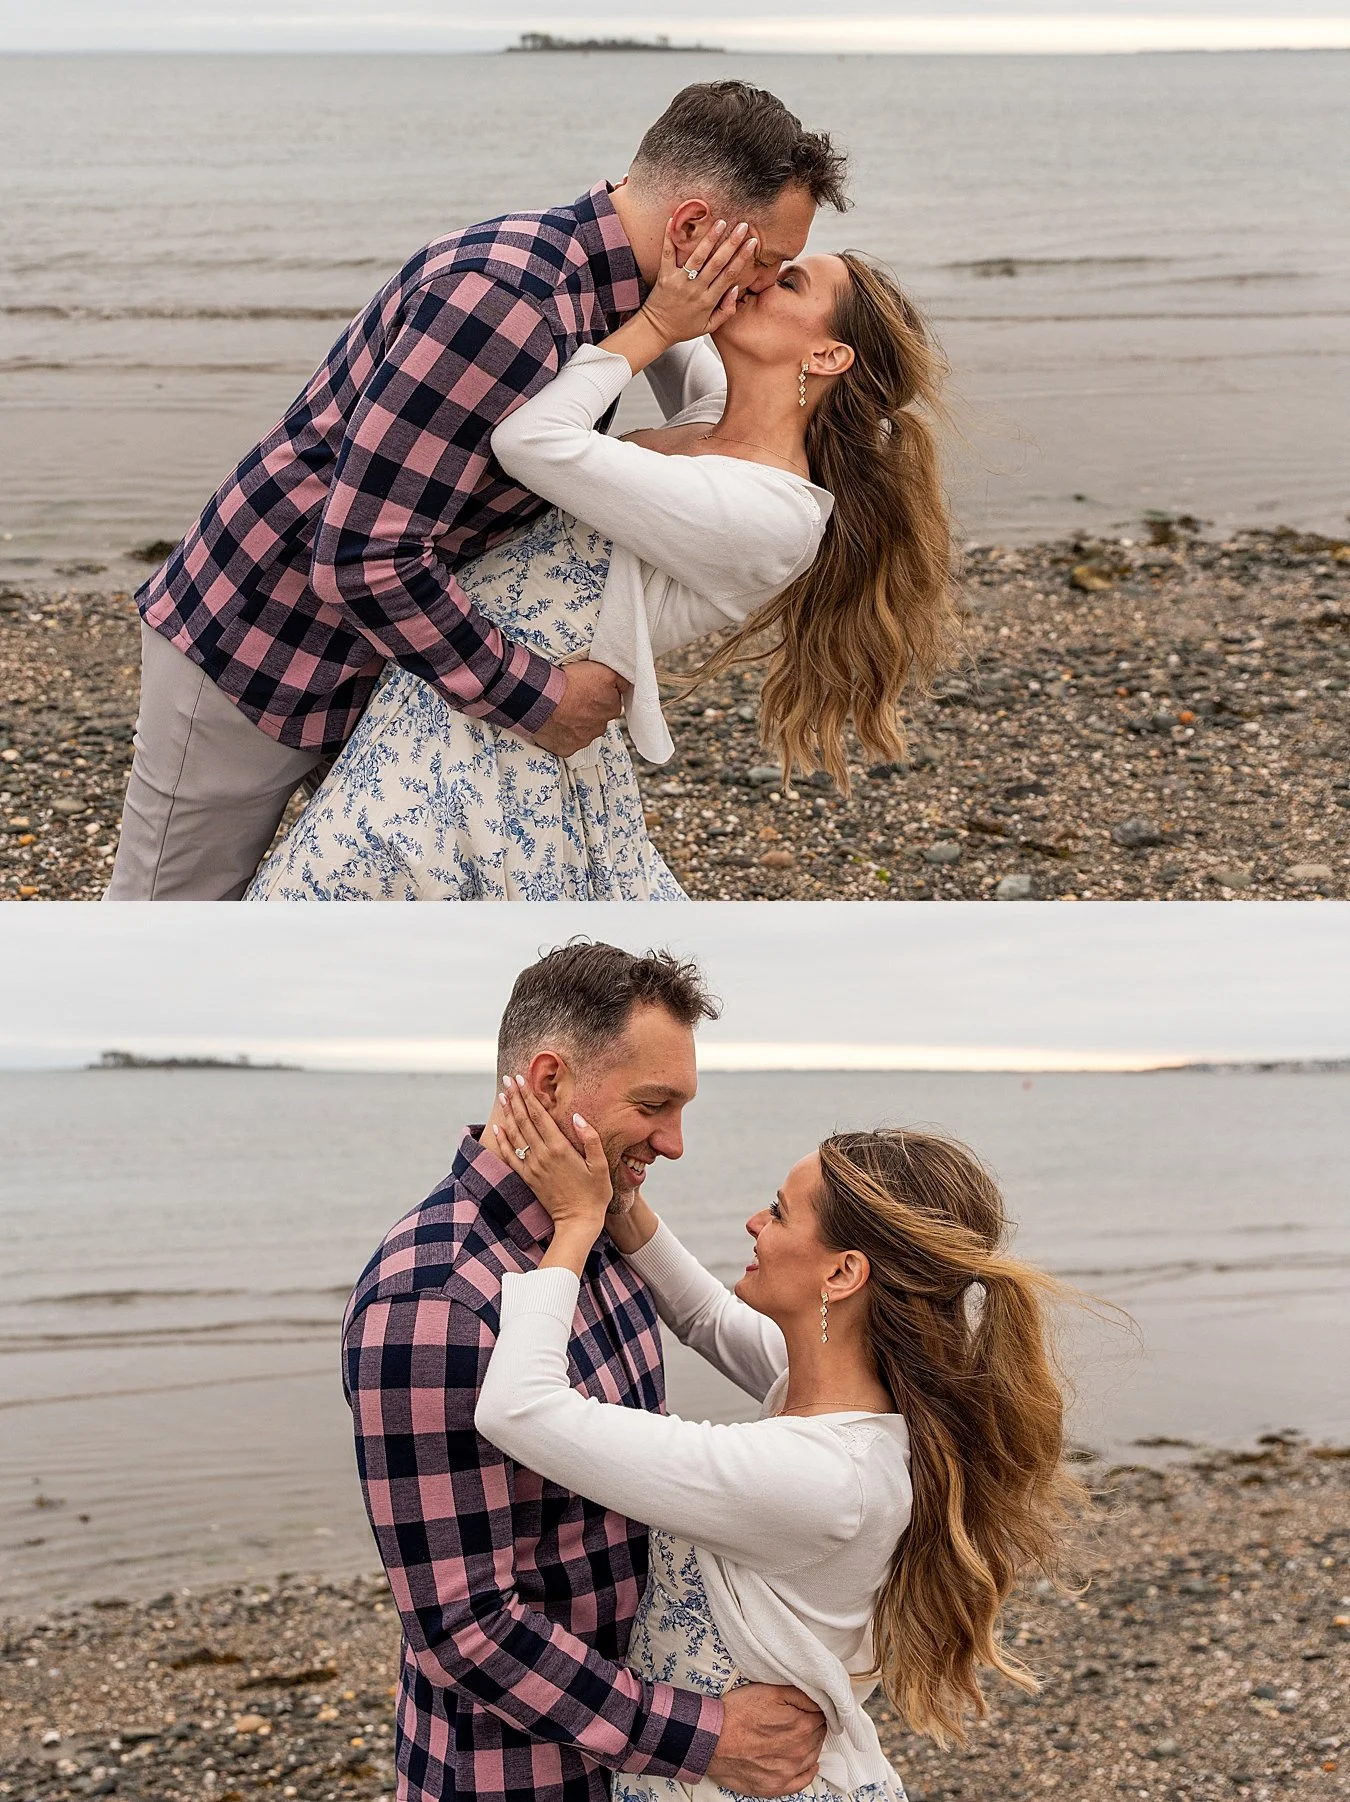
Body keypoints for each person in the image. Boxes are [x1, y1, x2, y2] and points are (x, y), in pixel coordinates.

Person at [106, 81, 849, 899]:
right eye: (769, 262)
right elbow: (362, 554)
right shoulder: (508, 301)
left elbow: (718, 411)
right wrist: (543, 701)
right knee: (162, 924)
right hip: (261, 645)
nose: (759, 285)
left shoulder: (623, 293)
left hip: (386, 663)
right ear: (693, 227)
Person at [245, 215, 957, 900]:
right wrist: (692, 251)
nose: (760, 280)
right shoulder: (715, 418)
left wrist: (654, 327)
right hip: (450, 695)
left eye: (790, 282)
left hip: (497, 743)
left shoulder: (771, 514)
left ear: (828, 356)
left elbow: (532, 441)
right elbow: (663, 294)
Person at [475, 1081, 1089, 1802]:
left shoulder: (821, 1478)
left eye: (779, 1211)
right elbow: (703, 1314)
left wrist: (575, 1223)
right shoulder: (855, 1399)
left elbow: (519, 1408)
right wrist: (621, 1204)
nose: (752, 1222)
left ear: (842, 1272)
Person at [342, 941, 829, 1802]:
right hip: (517, 1778)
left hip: (637, 1765)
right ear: (550, 1081)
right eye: (654, 1104)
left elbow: (713, 1331)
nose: (675, 1144)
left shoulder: (599, 1234)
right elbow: (464, 1626)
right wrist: (706, 1736)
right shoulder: (437, 1298)